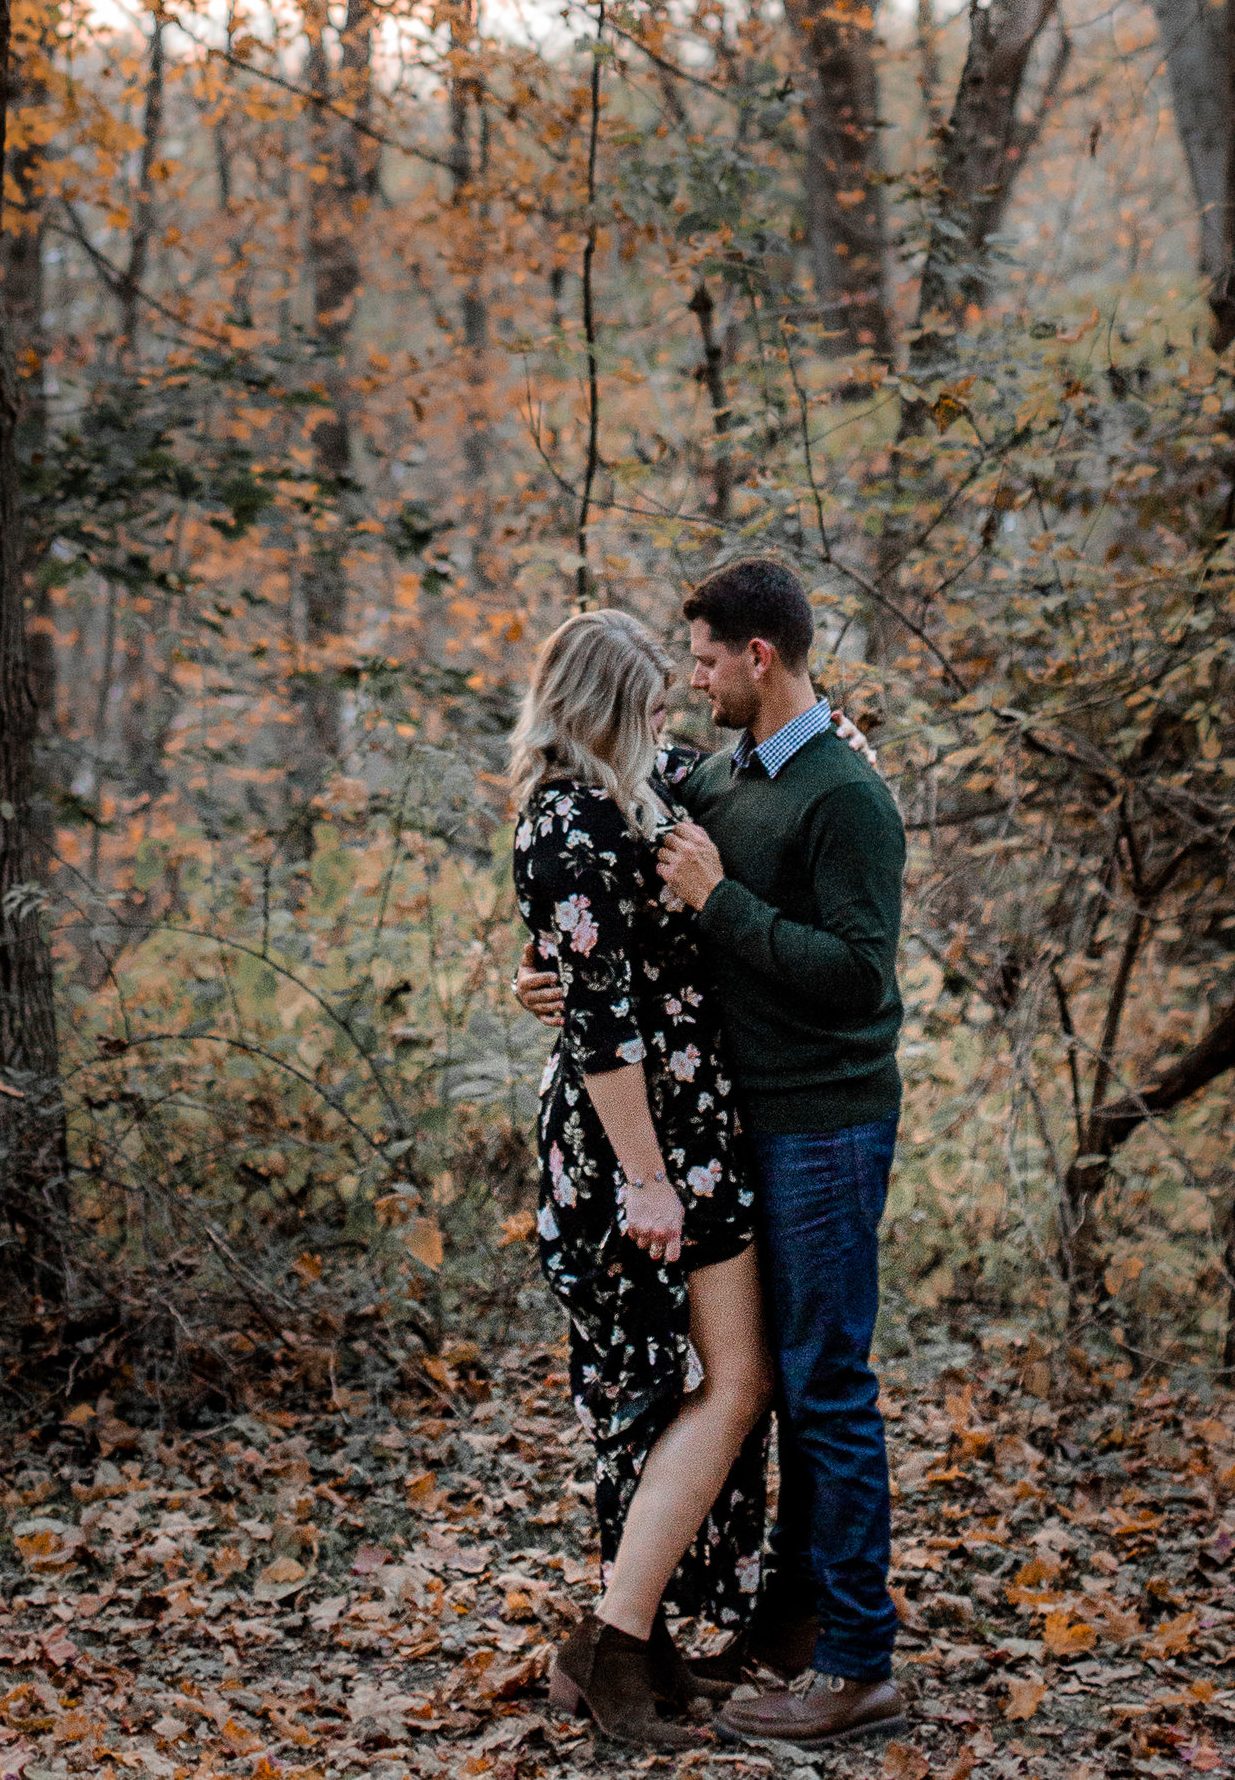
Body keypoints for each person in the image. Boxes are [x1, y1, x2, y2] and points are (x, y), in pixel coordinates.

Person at [519, 553, 910, 1749]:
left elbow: (860, 980)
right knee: (774, 1385)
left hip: (820, 1120)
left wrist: (718, 907)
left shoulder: (840, 791)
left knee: (819, 1385)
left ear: (757, 656)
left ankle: (852, 1660)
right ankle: (781, 1633)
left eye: (698, 661)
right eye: (664, 672)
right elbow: (600, 913)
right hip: (729, 1126)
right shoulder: (719, 776)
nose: (685, 687)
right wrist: (553, 976)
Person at [509, 607, 776, 1748]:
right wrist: (648, 1181)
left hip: (691, 1124)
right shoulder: (563, 823)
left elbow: (731, 770)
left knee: (685, 1390)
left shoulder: (642, 782)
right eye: (648, 702)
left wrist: (841, 743)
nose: (666, 717)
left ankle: (637, 1641)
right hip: (641, 1139)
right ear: (601, 708)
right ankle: (615, 1644)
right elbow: (604, 1025)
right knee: (723, 1381)